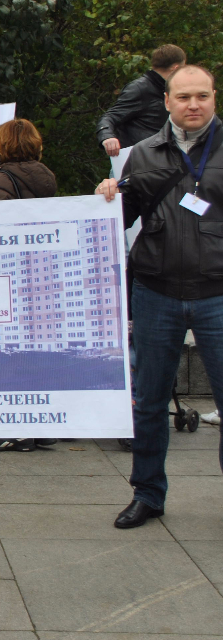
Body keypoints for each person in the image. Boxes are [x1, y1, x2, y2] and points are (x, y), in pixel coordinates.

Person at [96, 64, 223, 529]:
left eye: (202, 96)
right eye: (183, 96)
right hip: (155, 292)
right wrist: (106, 196)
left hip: (217, 293)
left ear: (214, 98)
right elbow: (121, 219)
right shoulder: (144, 153)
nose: (193, 104)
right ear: (166, 101)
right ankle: (147, 494)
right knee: (149, 402)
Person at [0, 118, 60, 453]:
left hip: (13, 275)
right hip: (41, 274)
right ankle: (43, 424)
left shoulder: (3, 179)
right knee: (38, 348)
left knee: (12, 352)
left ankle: (18, 430)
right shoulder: (46, 176)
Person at [97, 44, 187, 156]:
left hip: (163, 158)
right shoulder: (140, 89)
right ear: (176, 68)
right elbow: (110, 117)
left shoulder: (170, 90)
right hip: (137, 159)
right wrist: (107, 137)